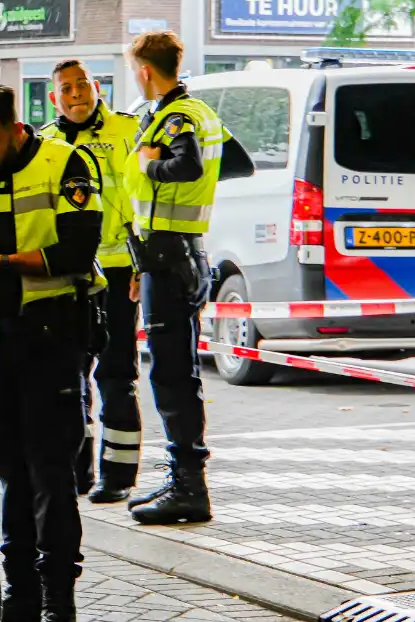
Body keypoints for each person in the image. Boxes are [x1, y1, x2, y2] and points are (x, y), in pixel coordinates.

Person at [0, 81, 104, 622]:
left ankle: (59, 600)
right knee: (11, 469)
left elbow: (79, 250)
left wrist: (1, 263)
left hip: (52, 336)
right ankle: (21, 596)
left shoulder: (66, 162)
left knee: (51, 471)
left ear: (14, 129)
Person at [122, 31, 253, 526]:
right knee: (178, 370)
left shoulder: (174, 117)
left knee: (171, 374)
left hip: (170, 256)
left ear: (145, 70)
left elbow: (189, 164)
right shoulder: (202, 113)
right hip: (181, 254)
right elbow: (237, 163)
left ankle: (189, 487)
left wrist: (149, 165)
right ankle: (182, 476)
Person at [40, 59, 143, 505]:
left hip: (120, 268)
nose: (76, 93)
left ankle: (119, 474)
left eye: (83, 84)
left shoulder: (127, 130)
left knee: (117, 372)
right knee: (69, 373)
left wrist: (144, 263)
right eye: (66, 88)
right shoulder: (43, 142)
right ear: (54, 97)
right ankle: (76, 468)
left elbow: (146, 196)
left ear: (97, 87)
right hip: (69, 273)